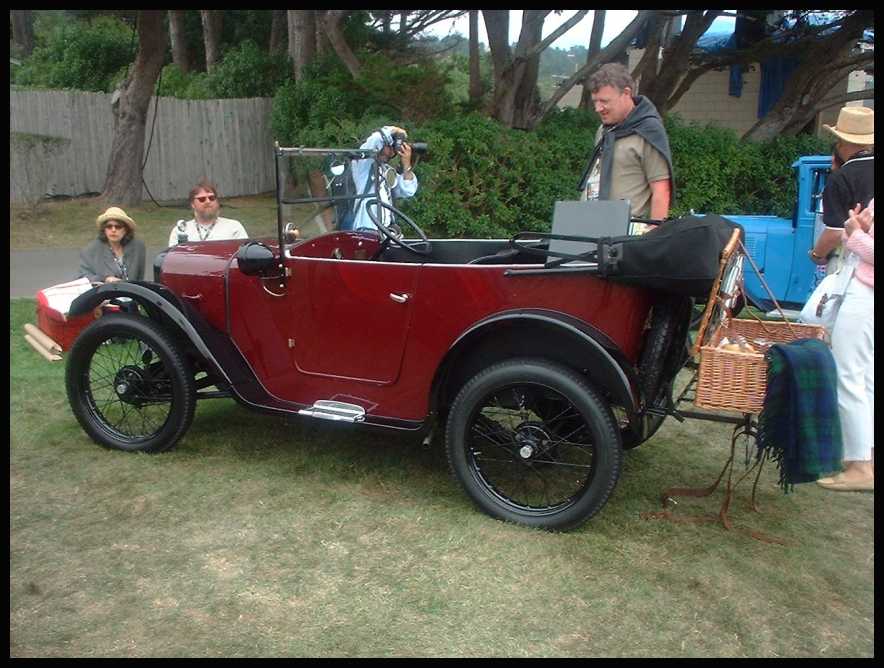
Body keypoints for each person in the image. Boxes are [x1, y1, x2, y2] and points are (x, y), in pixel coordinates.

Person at [817, 199, 874, 492]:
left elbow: (864, 246)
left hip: (867, 293)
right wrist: (856, 231)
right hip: (863, 288)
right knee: (865, 378)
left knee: (849, 375)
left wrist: (855, 233)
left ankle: (860, 465)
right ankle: (867, 458)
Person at [578, 62, 674, 230]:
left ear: (626, 93)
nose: (598, 108)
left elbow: (661, 190)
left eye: (605, 101)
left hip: (627, 233)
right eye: (595, 101)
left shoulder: (648, 130)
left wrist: (654, 237)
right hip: (591, 226)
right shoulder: (604, 130)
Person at [809, 106, 873, 268]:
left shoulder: (840, 178)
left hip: (853, 264)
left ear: (841, 143)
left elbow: (836, 231)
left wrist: (817, 254)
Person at [349, 126, 418, 233]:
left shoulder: (386, 171)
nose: (391, 153)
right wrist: (396, 131)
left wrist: (406, 165)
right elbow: (375, 140)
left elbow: (408, 190)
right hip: (367, 230)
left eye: (394, 149)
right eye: (389, 147)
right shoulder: (362, 165)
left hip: (386, 232)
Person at [168, 179, 248, 247]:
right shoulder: (180, 231)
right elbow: (172, 259)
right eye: (202, 199)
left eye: (211, 198)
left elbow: (243, 256)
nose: (208, 201)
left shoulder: (234, 227)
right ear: (193, 204)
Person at [79, 206, 146, 284]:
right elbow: (83, 278)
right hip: (104, 294)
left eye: (118, 227)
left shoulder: (138, 247)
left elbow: (140, 279)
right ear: (104, 229)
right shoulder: (90, 250)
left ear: (126, 230)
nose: (113, 230)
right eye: (109, 226)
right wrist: (104, 279)